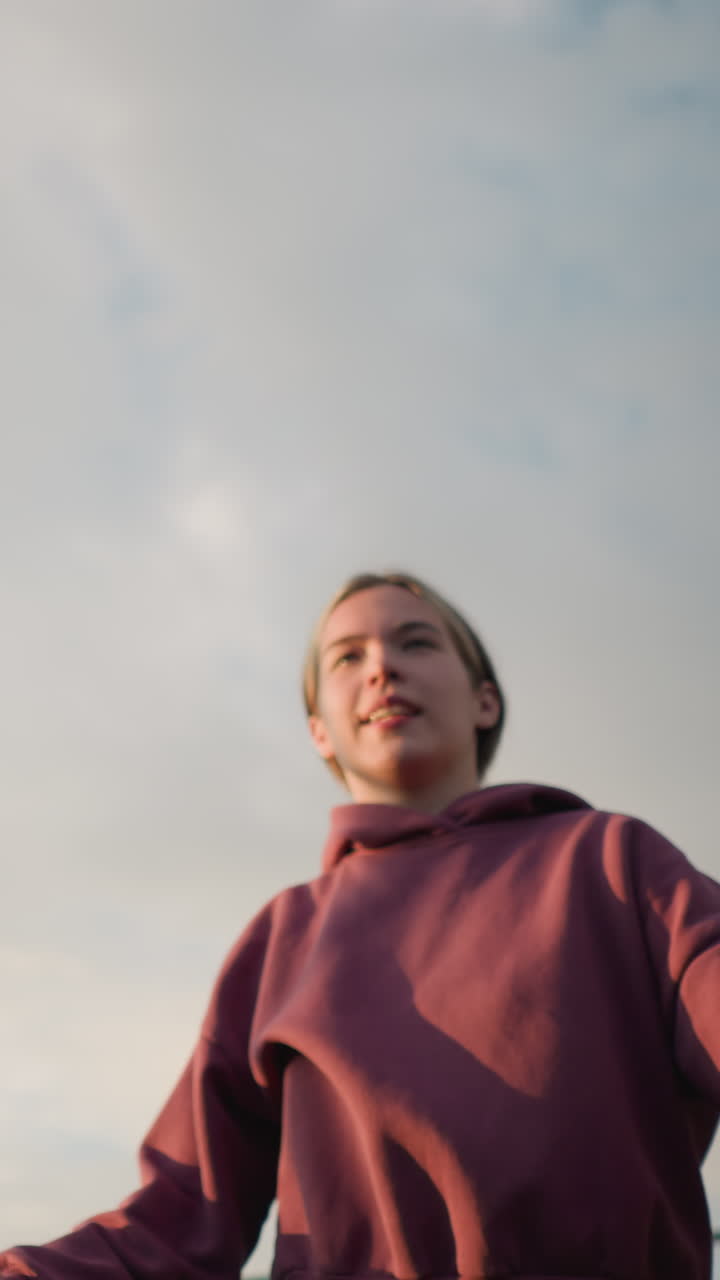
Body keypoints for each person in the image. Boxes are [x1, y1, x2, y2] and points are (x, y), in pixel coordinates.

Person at [2, 569, 719, 1280]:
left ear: (484, 700)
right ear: (319, 730)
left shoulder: (609, 860)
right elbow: (179, 1216)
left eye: (415, 643)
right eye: (348, 657)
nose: (382, 668)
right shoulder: (284, 936)